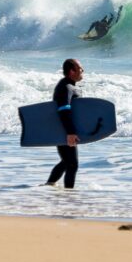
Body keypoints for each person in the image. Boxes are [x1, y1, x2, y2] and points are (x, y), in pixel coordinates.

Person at [46, 58, 83, 187]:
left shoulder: (68, 85)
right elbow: (64, 109)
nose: (82, 72)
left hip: (63, 129)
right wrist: (70, 132)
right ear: (72, 71)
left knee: (67, 162)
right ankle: (69, 197)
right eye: (80, 69)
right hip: (64, 129)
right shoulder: (66, 87)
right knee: (72, 164)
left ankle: (49, 185)